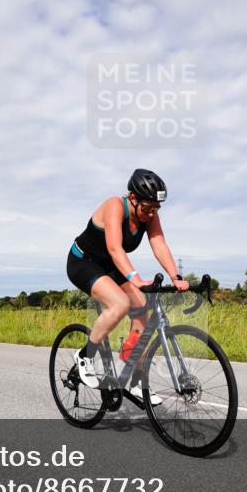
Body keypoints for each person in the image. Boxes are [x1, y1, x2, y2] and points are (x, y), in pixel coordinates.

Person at [66, 169, 188, 404]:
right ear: (133, 197)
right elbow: (114, 248)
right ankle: (85, 356)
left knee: (142, 309)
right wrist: (135, 278)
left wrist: (175, 276)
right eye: (147, 207)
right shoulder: (115, 205)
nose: (151, 213)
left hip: (110, 266)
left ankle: (130, 377)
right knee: (119, 304)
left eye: (156, 208)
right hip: (83, 262)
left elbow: (158, 243)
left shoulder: (149, 215)